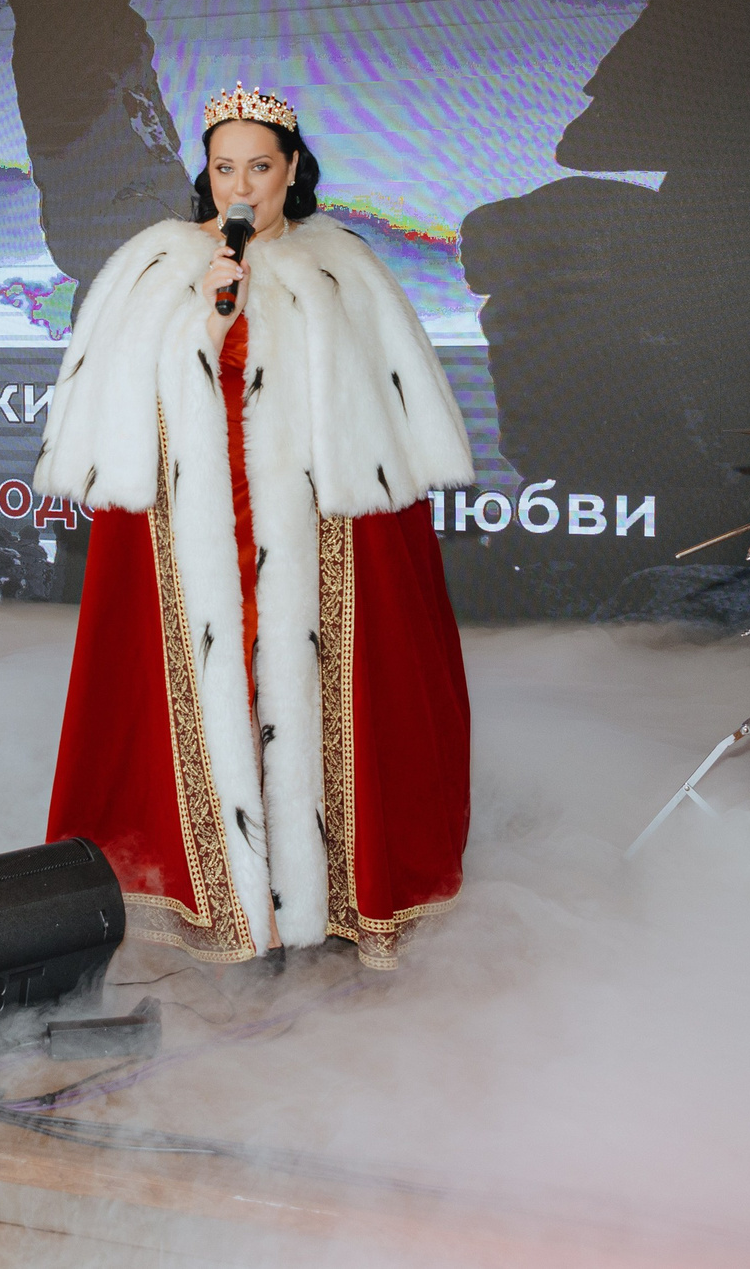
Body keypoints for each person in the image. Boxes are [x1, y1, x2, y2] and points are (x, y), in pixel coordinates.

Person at [35, 84, 475, 968]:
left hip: (316, 541)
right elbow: (125, 404)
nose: (240, 186)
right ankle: (220, 896)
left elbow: (378, 417)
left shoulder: (340, 265)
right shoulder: (157, 263)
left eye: (260, 167)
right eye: (224, 167)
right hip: (197, 537)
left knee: (317, 702)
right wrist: (204, 317)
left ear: (293, 168)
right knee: (209, 703)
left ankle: (335, 890)